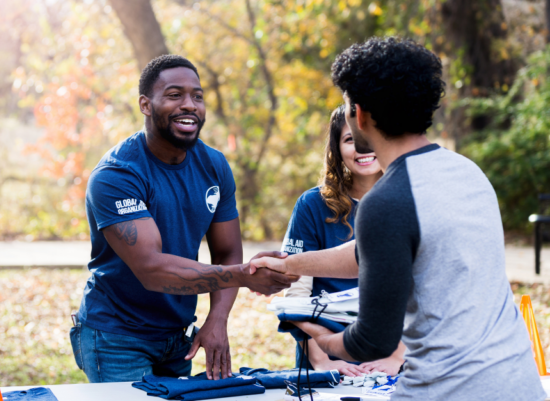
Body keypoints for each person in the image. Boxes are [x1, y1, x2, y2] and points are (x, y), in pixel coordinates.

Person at [251, 37, 545, 400]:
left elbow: (372, 339)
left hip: (448, 390)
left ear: (360, 114)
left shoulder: (386, 201)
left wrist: (324, 340)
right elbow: (369, 252)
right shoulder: (467, 172)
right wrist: (289, 265)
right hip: (519, 381)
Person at [71, 54, 297, 383]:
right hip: (117, 336)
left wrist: (217, 318)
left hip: (178, 337)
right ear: (146, 105)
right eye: (175, 95)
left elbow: (226, 251)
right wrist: (244, 275)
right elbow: (152, 268)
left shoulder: (214, 165)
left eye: (197, 96)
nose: (189, 104)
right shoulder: (117, 174)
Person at [281, 105, 404, 377]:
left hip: (393, 360)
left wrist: (398, 357)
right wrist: (322, 361)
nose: (362, 147)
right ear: (336, 149)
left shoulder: (408, 200)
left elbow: (422, 289)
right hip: (327, 359)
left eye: (370, 137)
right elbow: (297, 292)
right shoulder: (311, 205)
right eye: (351, 139)